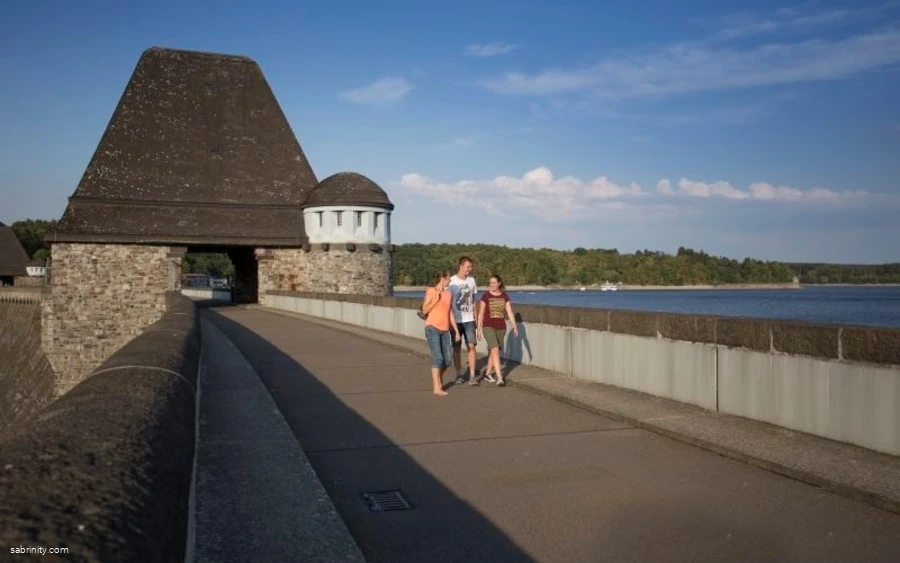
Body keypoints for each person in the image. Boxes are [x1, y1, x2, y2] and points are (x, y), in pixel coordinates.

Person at [421, 271, 460, 396]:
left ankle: (438, 378)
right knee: (438, 357)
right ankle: (436, 387)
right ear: (443, 278)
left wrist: (456, 331)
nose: (450, 280)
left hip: (445, 329)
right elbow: (424, 310)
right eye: (449, 278)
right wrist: (436, 300)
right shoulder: (431, 291)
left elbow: (450, 313)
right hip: (432, 327)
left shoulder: (448, 294)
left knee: (447, 360)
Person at [476, 274, 518, 387]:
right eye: (490, 283)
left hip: (501, 328)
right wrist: (478, 329)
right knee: (495, 351)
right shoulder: (485, 296)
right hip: (488, 326)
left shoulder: (505, 296)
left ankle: (487, 373)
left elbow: (509, 312)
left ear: (499, 283)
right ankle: (500, 378)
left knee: (494, 351)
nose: (492, 285)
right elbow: (481, 314)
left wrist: (515, 326)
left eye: (494, 283)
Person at [448, 256, 479, 386]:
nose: (470, 269)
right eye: (468, 267)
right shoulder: (451, 282)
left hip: (469, 319)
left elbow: (474, 301)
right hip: (456, 320)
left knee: (471, 346)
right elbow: (447, 302)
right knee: (456, 348)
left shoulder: (472, 281)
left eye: (471, 267)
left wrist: (477, 318)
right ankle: (459, 374)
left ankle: (472, 376)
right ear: (460, 266)